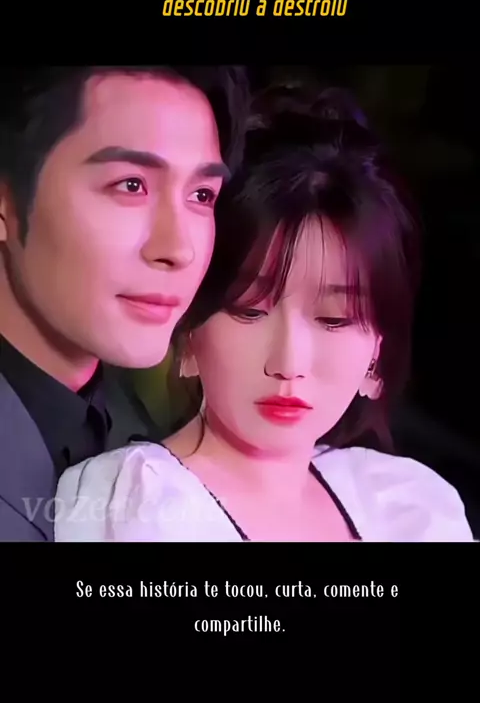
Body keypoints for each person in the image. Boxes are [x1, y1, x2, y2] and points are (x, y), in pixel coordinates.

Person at [54, 86, 473, 542]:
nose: (288, 363)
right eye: (250, 310)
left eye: (334, 319)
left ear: (377, 352)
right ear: (189, 328)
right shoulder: (135, 502)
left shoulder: (410, 505)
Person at [0, 65, 249, 541]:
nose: (178, 248)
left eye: (202, 195)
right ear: (6, 201)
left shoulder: (159, 449)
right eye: (131, 185)